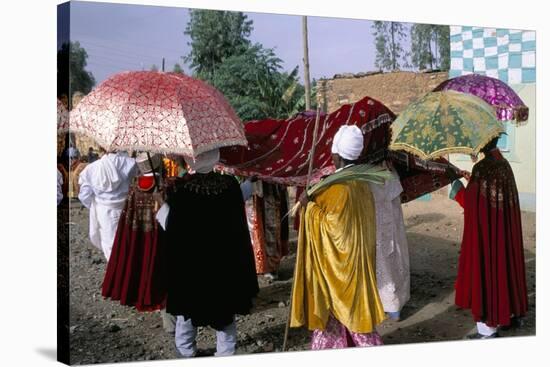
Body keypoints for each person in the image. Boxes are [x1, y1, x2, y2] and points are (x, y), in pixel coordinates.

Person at [154, 149, 259, 357]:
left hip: (193, 267)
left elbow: (172, 226)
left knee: (187, 312)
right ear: (215, 159)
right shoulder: (229, 186)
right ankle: (225, 354)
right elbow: (241, 196)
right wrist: (250, 182)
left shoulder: (182, 191)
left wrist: (160, 201)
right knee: (225, 312)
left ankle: (186, 353)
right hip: (224, 264)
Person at [290, 125, 386, 349]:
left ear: (335, 154)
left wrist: (309, 208)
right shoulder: (362, 183)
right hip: (359, 264)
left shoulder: (336, 188)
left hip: (339, 272)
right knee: (354, 316)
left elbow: (332, 230)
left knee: (342, 313)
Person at [447, 136, 528, 339]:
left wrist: (457, 188)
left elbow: (474, 205)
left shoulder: (483, 168)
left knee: (486, 270)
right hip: (502, 230)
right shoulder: (503, 162)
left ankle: (488, 330)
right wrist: (472, 179)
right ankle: (510, 313)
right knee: (504, 266)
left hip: (487, 234)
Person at [368, 157, 410, 321]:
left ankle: (389, 305)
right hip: (389, 226)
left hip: (380, 227)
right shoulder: (391, 172)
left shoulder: (366, 176)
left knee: (383, 260)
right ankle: (393, 306)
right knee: (392, 259)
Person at [78, 150, 138, 260]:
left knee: (109, 242)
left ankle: (114, 270)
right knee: (128, 240)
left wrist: (96, 205)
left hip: (104, 211)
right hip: (126, 208)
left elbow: (84, 196)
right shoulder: (130, 162)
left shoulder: (90, 169)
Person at [242, 179, 289, 281]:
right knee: (255, 227)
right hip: (253, 188)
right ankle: (258, 264)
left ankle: (271, 266)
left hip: (271, 187)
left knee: (271, 226)